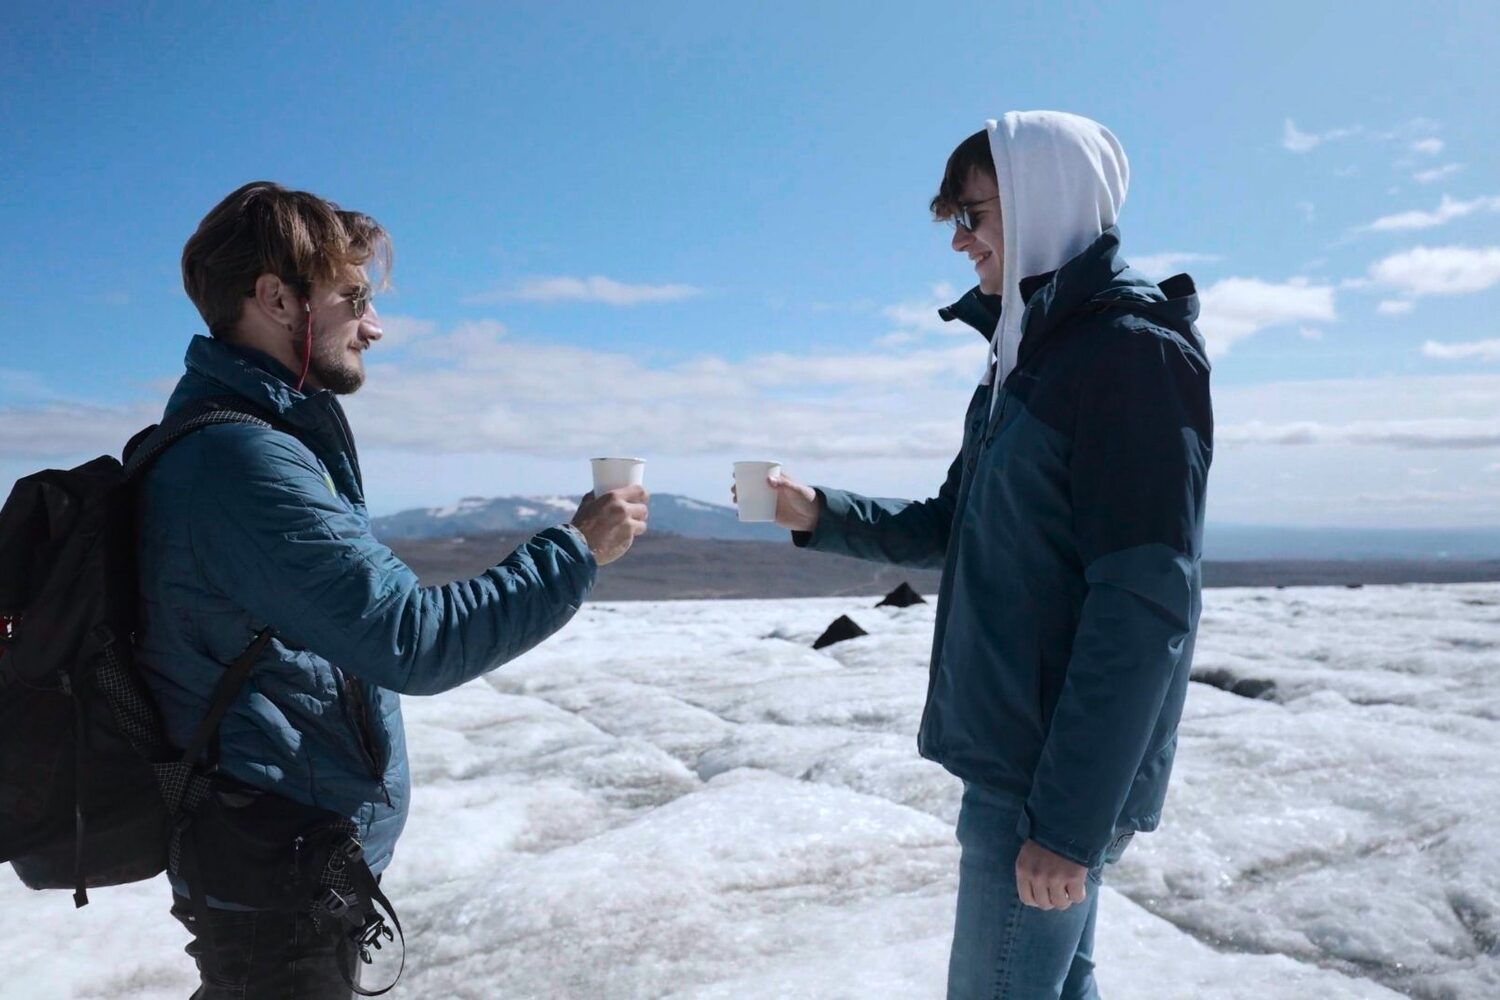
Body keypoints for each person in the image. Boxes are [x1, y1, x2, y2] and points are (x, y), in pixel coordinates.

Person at [138, 180, 648, 997]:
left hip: (283, 870)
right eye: (353, 297)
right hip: (276, 893)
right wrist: (578, 549)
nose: (373, 326)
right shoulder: (243, 465)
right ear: (275, 298)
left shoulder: (251, 440)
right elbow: (413, 639)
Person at [762, 113, 1212, 998]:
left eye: (971, 213)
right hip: (1026, 760)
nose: (960, 241)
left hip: (1046, 778)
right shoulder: (1027, 353)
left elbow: (1143, 606)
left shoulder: (1129, 356)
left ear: (1043, 194)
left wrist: (1070, 823)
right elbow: (951, 523)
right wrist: (817, 511)